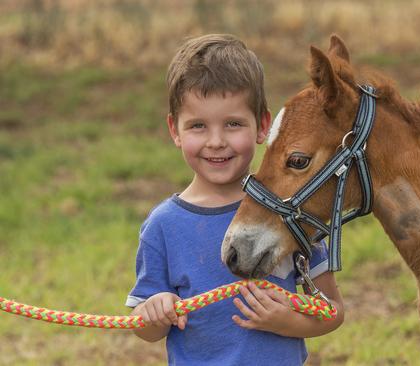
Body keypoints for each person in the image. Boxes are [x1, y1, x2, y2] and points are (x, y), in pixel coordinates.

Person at [126, 34, 345, 365]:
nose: (216, 142)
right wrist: (154, 311)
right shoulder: (163, 226)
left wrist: (287, 323)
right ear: (175, 130)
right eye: (198, 126)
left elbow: (332, 310)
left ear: (262, 126)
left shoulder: (289, 210)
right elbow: (145, 329)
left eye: (233, 124)